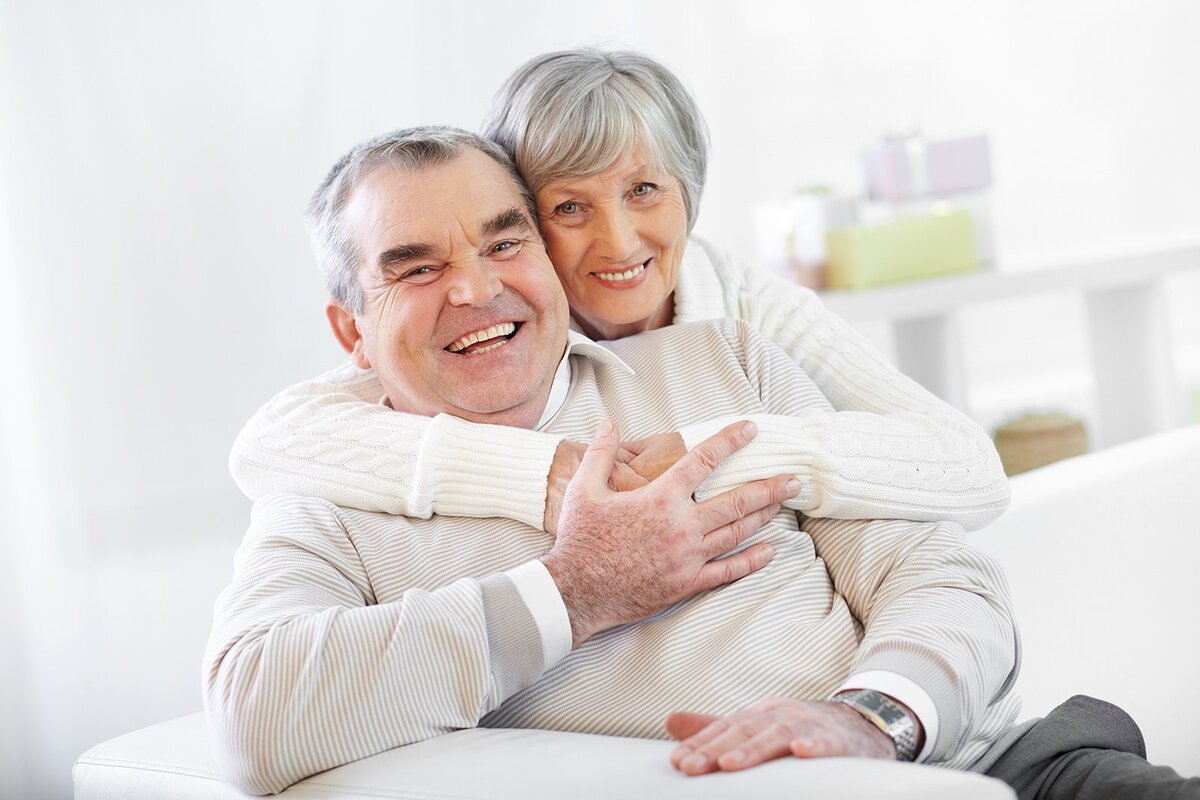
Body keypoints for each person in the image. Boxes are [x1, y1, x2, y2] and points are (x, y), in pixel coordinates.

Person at [204, 128, 1023, 795]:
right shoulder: (327, 494)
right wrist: (574, 592)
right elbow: (255, 714)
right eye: (416, 267)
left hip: (965, 763)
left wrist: (870, 719)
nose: (473, 290)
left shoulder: (726, 358)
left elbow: (940, 577)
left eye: (503, 242)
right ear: (351, 333)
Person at [227, 49, 1010, 538]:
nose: (620, 242)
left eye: (644, 190)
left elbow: (969, 464)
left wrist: (728, 454)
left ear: (688, 194)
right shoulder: (486, 332)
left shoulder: (748, 310)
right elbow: (269, 443)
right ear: (522, 221)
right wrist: (546, 476)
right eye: (569, 207)